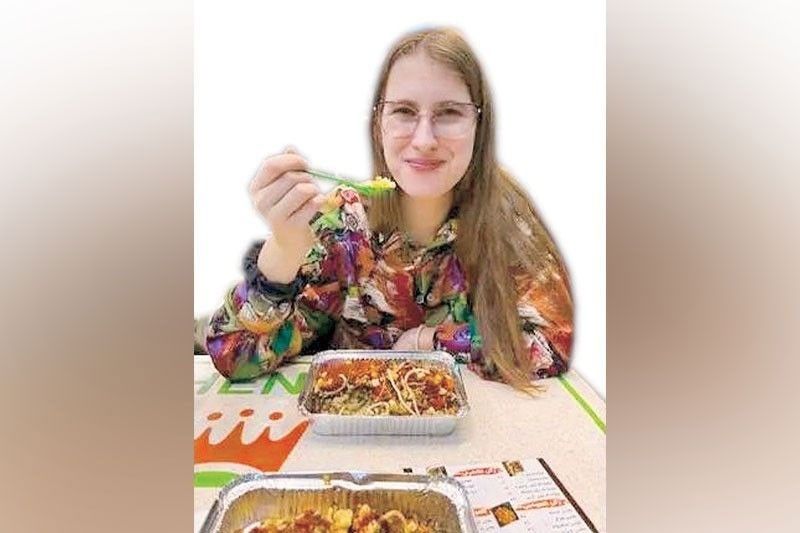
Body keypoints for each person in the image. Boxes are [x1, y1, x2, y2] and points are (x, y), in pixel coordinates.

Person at [203, 27, 573, 391]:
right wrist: (284, 248)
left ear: (480, 126)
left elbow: (550, 342)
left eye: (449, 113)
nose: (424, 140)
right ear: (379, 123)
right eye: (404, 111)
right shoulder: (342, 225)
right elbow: (233, 354)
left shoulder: (506, 218)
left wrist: (427, 341)